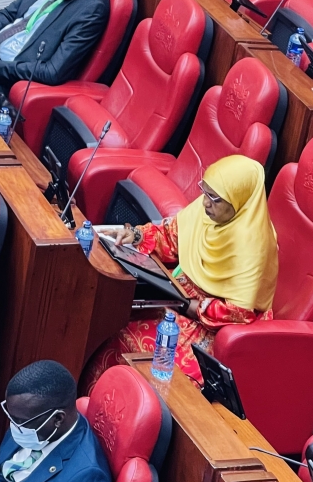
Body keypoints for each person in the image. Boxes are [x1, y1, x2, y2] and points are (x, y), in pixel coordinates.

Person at [83, 155, 279, 389]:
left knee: (143, 353)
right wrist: (136, 236)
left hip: (209, 322)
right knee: (114, 320)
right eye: (204, 192)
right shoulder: (205, 211)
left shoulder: (254, 245)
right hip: (177, 295)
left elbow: (239, 312)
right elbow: (169, 237)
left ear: (239, 202)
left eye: (214, 198)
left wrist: (187, 305)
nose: (205, 203)